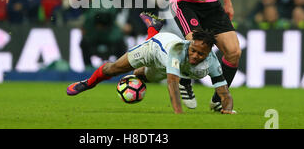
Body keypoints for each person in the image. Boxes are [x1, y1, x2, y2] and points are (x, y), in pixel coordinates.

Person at [67, 13, 235, 115]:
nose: (196, 55)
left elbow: (223, 91)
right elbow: (172, 86)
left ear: (209, 54)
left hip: (165, 64)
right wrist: (179, 114)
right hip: (154, 48)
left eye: (201, 54)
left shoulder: (212, 62)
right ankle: (87, 83)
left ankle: (154, 28)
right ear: (190, 45)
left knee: (140, 77)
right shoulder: (177, 50)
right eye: (193, 51)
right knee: (113, 69)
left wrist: (228, 108)